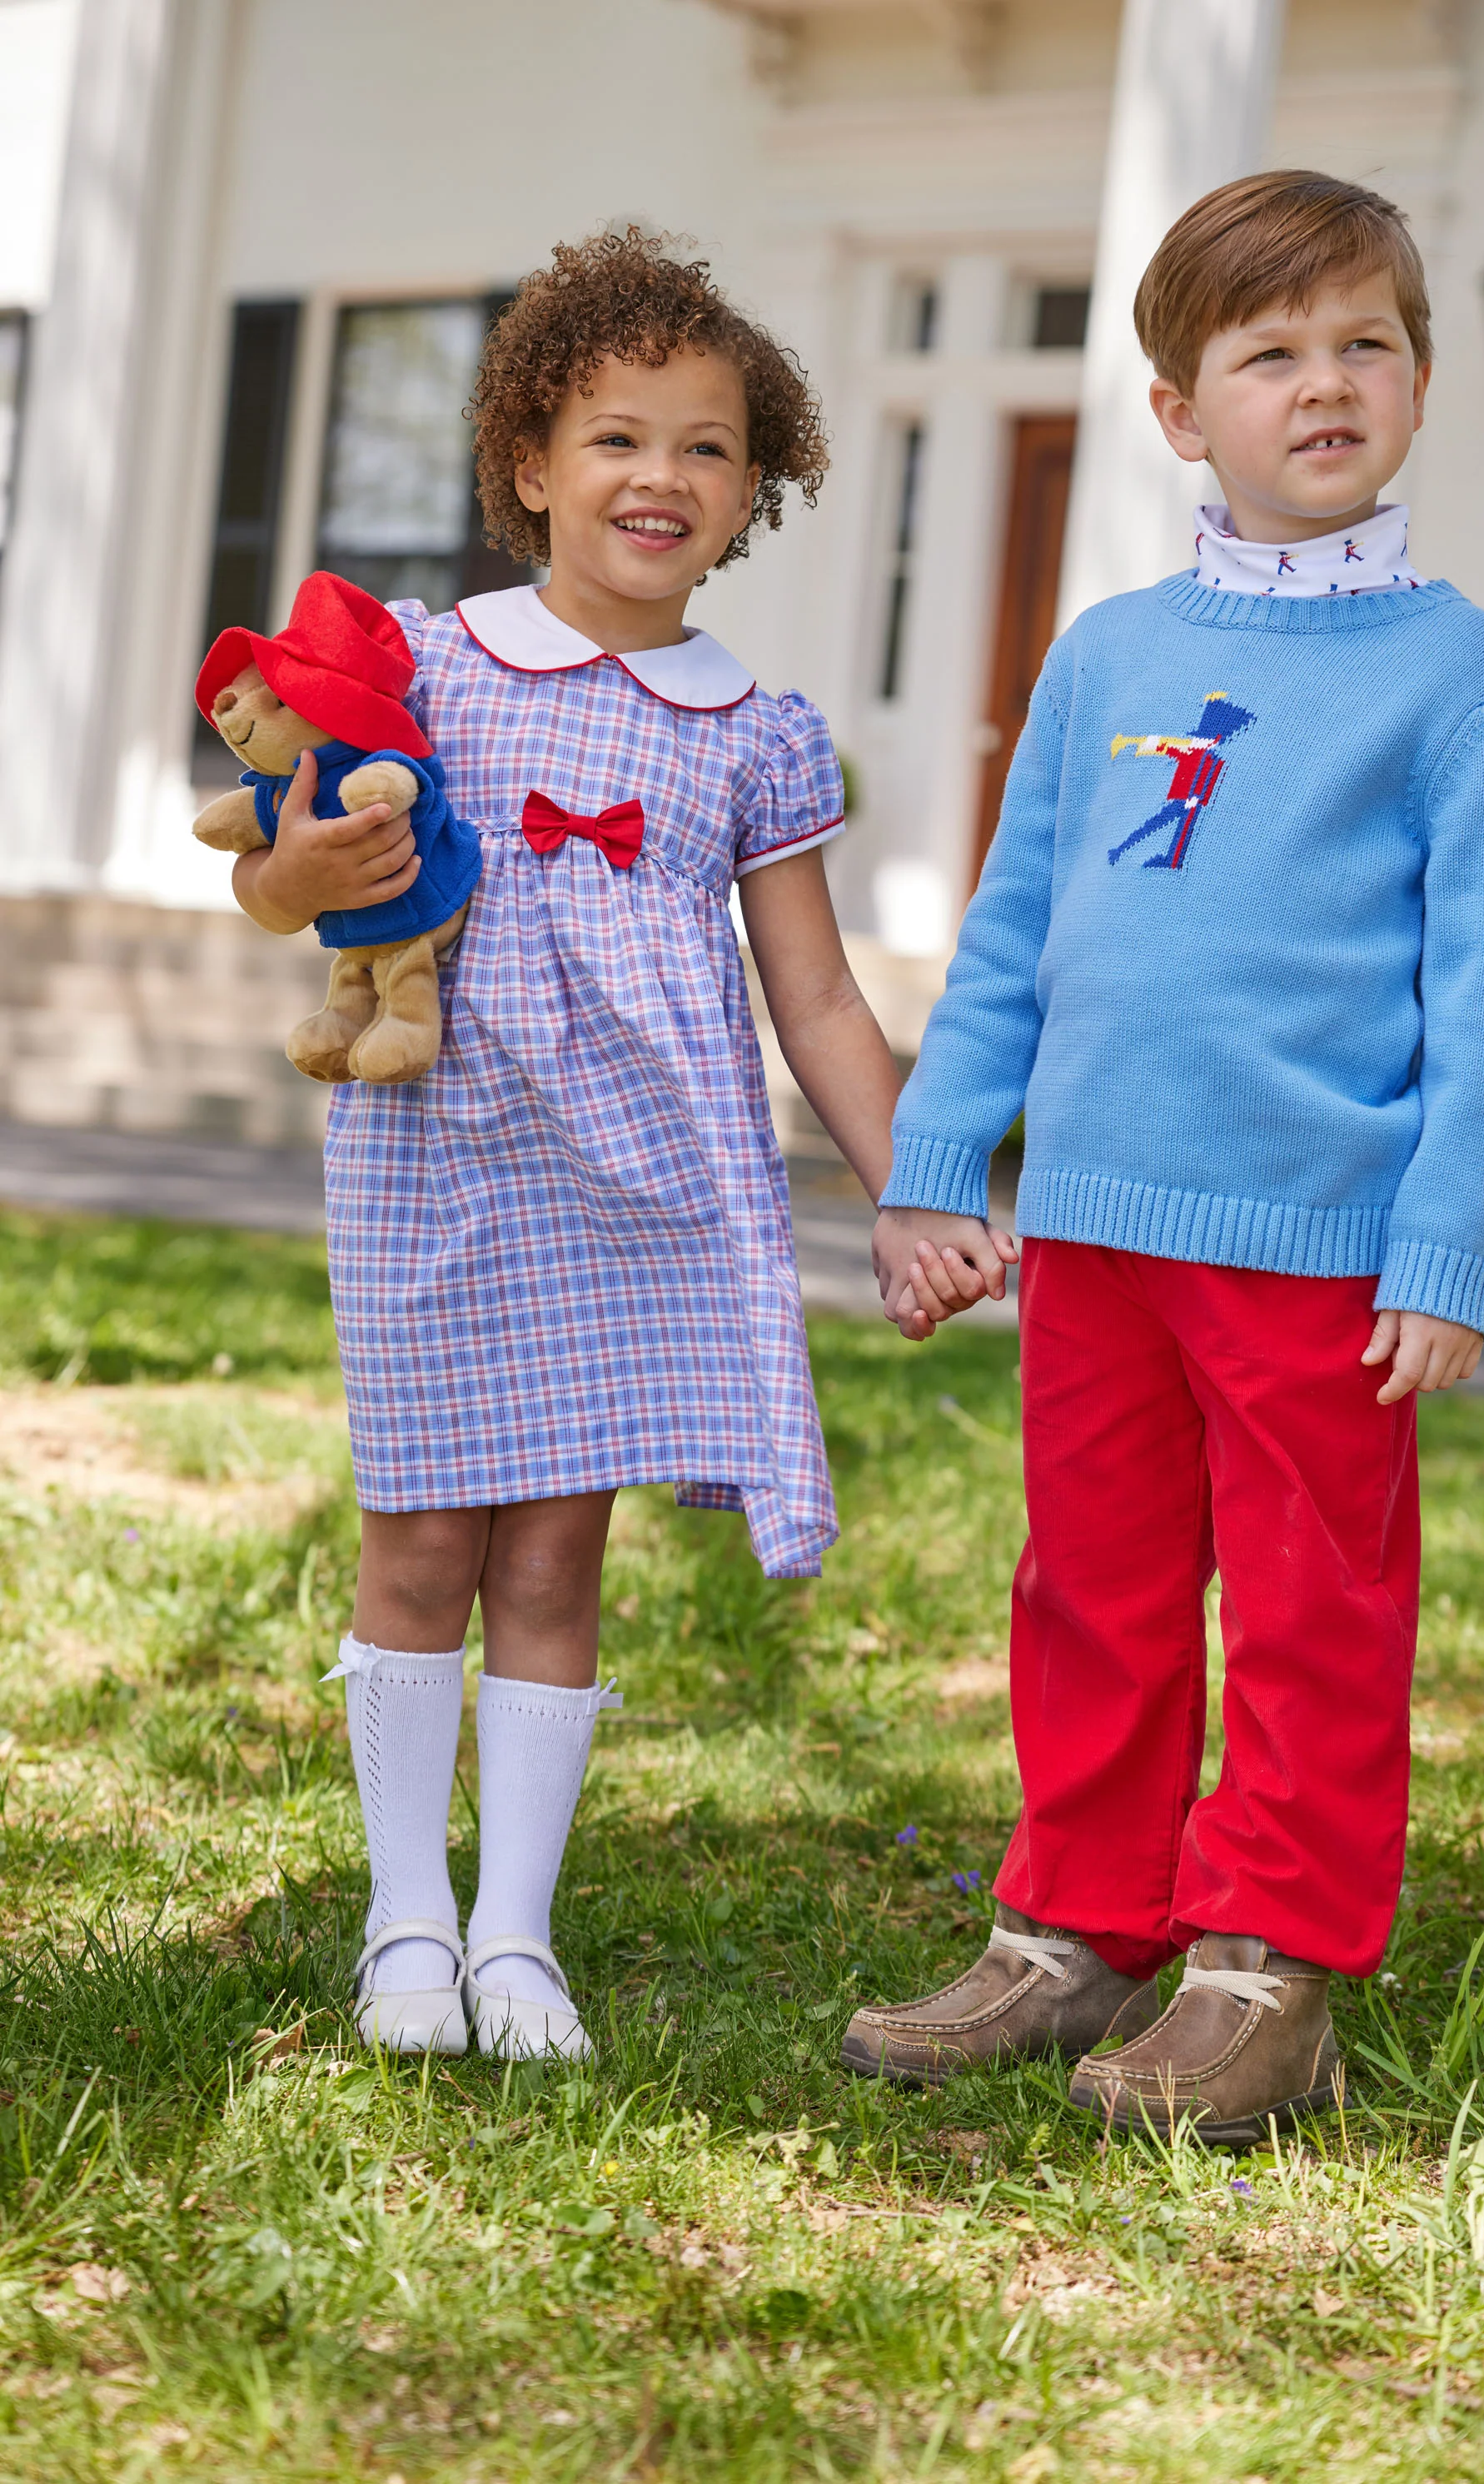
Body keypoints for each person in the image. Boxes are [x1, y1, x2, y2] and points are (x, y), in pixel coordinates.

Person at [848, 171, 1484, 2146]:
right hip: (1089, 1221)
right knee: (1095, 1582)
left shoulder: (1453, 672)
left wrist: (1444, 1251)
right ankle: (1078, 1916)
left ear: (1415, 381)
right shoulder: (1106, 654)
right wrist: (934, 1161)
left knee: (1314, 1596)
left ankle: (1271, 1959)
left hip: (1314, 1235)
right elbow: (1013, 931)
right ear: (1178, 409)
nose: (1321, 383)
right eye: (1268, 353)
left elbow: (1479, 992)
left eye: (1363, 345)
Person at [232, 231, 909, 2062]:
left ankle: (513, 1938)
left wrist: (910, 1188)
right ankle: (402, 1925)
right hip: (442, 1163)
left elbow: (819, 1001)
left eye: (704, 446)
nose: (658, 478)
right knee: (421, 1539)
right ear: (529, 466)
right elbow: (275, 879)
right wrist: (307, 870)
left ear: (753, 486)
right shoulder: (425, 674)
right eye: (616, 438)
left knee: (553, 1556)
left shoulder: (755, 734)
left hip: (646, 1187)